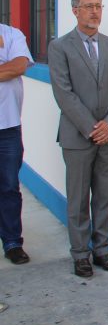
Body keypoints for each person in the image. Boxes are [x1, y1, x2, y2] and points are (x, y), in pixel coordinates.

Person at [48, 0, 108, 277]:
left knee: (104, 196)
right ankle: (80, 253)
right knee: (78, 198)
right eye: (88, 6)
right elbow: (63, 93)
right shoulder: (60, 47)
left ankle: (102, 250)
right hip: (77, 137)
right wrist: (93, 128)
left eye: (98, 6)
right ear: (75, 11)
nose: (95, 11)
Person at [0, 23, 34, 265]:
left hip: (8, 127)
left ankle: (12, 242)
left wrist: (10, 67)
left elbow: (19, 66)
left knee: (9, 187)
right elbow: (9, 67)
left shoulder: (12, 34)